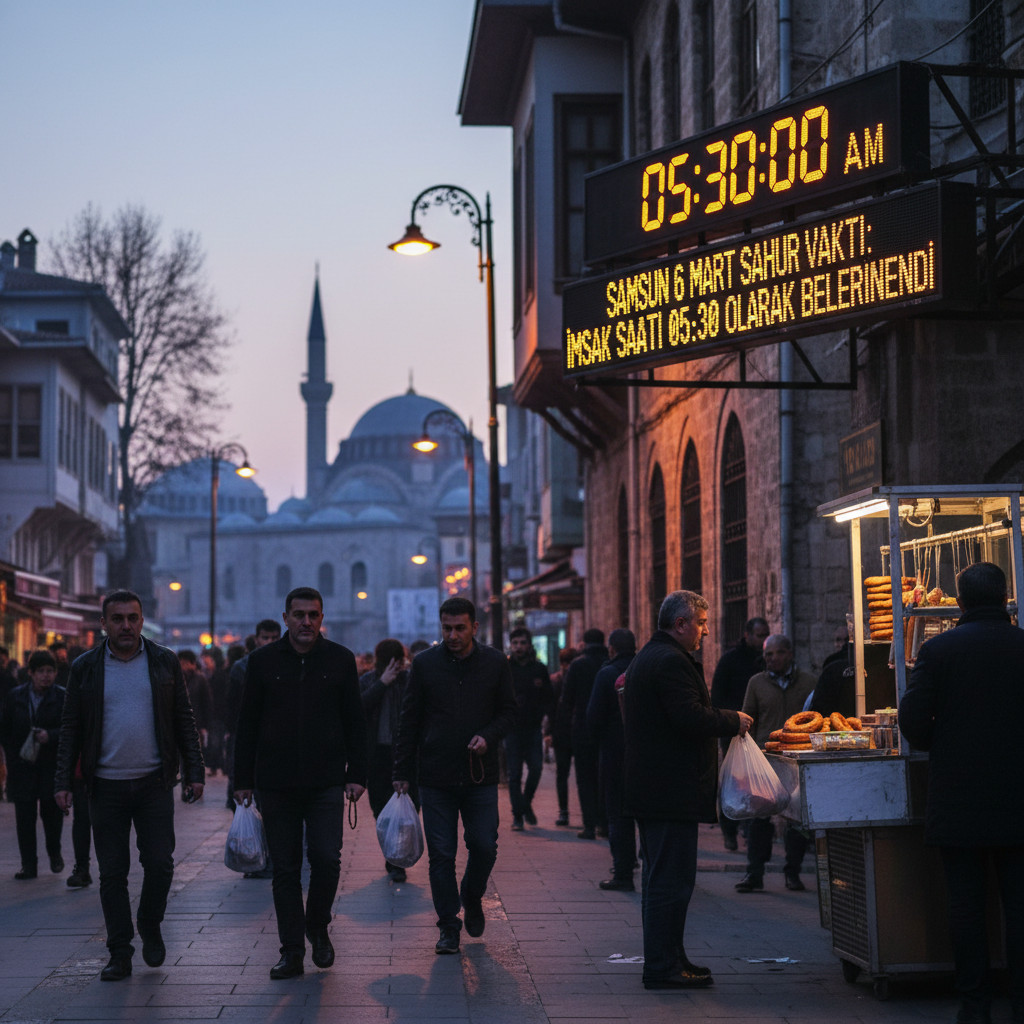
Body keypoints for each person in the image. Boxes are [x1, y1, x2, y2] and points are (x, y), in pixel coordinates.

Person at [54, 590, 205, 982]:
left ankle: (149, 921)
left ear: (141, 620)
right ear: (104, 623)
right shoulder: (86, 667)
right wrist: (63, 781)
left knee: (160, 863)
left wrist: (195, 771)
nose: (126, 625)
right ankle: (120, 950)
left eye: (132, 618)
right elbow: (71, 727)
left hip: (155, 782)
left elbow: (183, 718)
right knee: (112, 873)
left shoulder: (163, 661)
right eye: (117, 618)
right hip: (105, 786)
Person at [899, 562, 1024, 1024]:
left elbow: (912, 722)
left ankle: (975, 1006)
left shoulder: (940, 650)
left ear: (961, 602)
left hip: (960, 800)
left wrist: (945, 744)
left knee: (967, 907)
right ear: (1005, 596)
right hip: (1019, 799)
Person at [233, 587, 367, 980]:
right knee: (287, 869)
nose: (306, 622)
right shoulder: (262, 662)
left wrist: (357, 773)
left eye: (313, 615)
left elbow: (355, 721)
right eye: (298, 615)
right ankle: (291, 950)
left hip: (326, 781)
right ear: (286, 617)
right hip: (276, 782)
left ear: (322, 618)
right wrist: (241, 780)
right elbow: (247, 725)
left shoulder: (340, 660)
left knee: (326, 859)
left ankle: (317, 926)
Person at [622, 591, 751, 990]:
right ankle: (662, 967)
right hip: (668, 790)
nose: (707, 630)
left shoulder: (657, 655)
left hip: (661, 789)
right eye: (701, 622)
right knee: (668, 882)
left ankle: (672, 959)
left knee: (668, 880)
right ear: (681, 624)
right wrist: (734, 720)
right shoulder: (669, 661)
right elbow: (688, 716)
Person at [393, 596, 517, 956]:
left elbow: (510, 711)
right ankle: (448, 925)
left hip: (480, 776)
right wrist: (401, 772)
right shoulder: (425, 664)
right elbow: (410, 720)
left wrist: (488, 736)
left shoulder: (494, 662)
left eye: (460, 628)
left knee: (483, 844)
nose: (453, 635)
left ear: (474, 628)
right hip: (436, 776)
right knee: (442, 854)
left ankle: (472, 895)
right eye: (446, 628)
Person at [735, 634, 816, 894]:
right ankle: (754, 872)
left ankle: (793, 871)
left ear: (790, 654)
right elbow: (748, 719)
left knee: (797, 820)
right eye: (768, 655)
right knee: (759, 819)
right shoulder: (756, 683)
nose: (773, 659)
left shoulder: (809, 683)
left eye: (778, 653)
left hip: (797, 759)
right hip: (765, 759)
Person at [0, 649, 67, 879]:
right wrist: (12, 756)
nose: (46, 676)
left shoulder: (62, 697)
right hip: (22, 766)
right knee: (24, 819)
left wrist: (52, 735)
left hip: (51, 766)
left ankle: (54, 853)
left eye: (50, 671)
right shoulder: (15, 696)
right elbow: (5, 729)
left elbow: (71, 730)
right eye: (41, 672)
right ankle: (29, 865)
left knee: (52, 814)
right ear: (31, 673)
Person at [360, 637, 417, 882]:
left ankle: (397, 860)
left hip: (405, 754)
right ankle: (392, 858)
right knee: (380, 809)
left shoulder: (409, 681)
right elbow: (358, 709)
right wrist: (382, 684)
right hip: (377, 755)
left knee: (407, 809)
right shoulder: (368, 680)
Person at [710, 617, 768, 850]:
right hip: (733, 730)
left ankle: (750, 828)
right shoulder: (730, 661)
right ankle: (730, 830)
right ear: (748, 635)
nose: (763, 640)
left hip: (759, 730)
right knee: (733, 782)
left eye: (766, 635)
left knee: (756, 783)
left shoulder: (764, 661)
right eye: (759, 635)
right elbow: (718, 696)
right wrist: (729, 722)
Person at [586, 628, 637, 890]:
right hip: (646, 755)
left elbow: (592, 719)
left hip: (616, 754)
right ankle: (650, 868)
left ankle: (623, 873)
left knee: (618, 815)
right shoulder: (645, 669)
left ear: (611, 649)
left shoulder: (607, 674)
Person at [225, 619, 281, 815]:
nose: (269, 642)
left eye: (274, 638)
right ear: (256, 639)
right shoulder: (241, 668)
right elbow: (232, 707)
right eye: (265, 637)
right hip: (249, 736)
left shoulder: (283, 664)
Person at [560, 629, 608, 840]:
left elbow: (566, 699)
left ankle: (589, 825)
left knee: (585, 778)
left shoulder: (578, 665)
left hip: (582, 727)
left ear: (584, 643)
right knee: (606, 776)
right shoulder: (610, 663)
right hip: (609, 729)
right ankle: (605, 824)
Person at [504, 627, 554, 831]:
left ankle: (525, 804)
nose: (518, 647)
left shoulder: (539, 669)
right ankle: (518, 815)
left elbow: (549, 698)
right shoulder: (506, 669)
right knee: (514, 775)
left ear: (529, 645)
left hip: (533, 728)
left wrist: (547, 721)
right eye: (515, 643)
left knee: (536, 769)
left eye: (522, 643)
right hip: (512, 730)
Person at [545, 646, 576, 826]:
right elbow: (551, 709)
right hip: (563, 732)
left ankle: (564, 812)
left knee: (563, 774)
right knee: (563, 773)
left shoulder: (555, 680)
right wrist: (549, 732)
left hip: (563, 732)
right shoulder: (556, 681)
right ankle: (564, 810)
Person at [178, 651, 213, 792]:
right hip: (179, 725)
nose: (182, 665)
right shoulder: (176, 678)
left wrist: (205, 726)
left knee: (195, 756)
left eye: (185, 662)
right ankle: (185, 787)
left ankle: (195, 784)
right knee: (182, 757)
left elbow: (207, 704)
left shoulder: (200, 679)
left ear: (192, 663)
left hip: (196, 725)